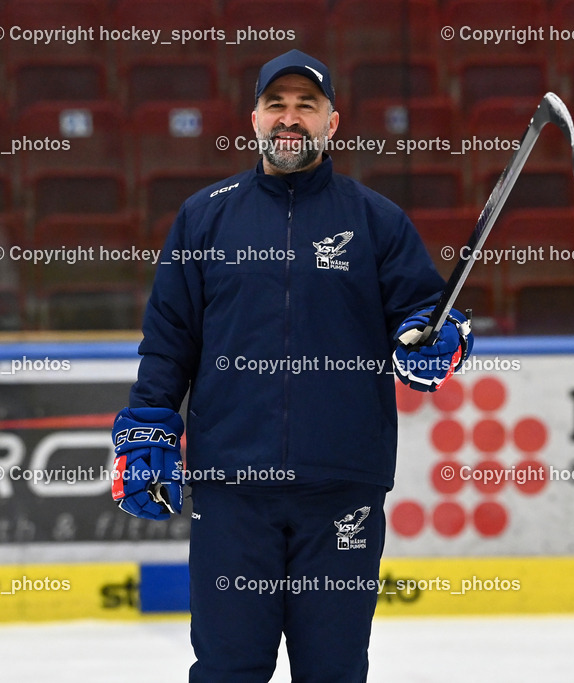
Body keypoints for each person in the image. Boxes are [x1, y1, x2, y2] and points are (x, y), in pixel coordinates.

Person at [111, 50, 472, 682]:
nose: (290, 118)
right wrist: (148, 428)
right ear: (253, 117)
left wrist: (434, 343)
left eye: (307, 105)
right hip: (233, 492)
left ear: (333, 122)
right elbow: (168, 341)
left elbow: (426, 318)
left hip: (341, 490)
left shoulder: (376, 222)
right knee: (227, 669)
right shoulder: (204, 218)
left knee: (332, 671)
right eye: (277, 104)